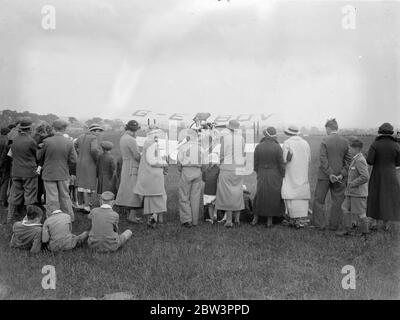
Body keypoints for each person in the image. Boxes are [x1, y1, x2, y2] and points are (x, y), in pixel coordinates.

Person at [311, 118, 351, 231]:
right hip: (339, 177)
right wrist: (341, 175)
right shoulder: (345, 141)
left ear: (328, 128)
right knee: (338, 201)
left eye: (326, 129)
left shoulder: (325, 140)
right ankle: (334, 226)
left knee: (319, 200)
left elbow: (323, 159)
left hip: (324, 176)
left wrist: (330, 173)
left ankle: (319, 225)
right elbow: (348, 161)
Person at [37, 119, 77, 221]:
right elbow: (74, 160)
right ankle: (69, 218)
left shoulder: (46, 141)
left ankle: (52, 219)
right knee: (65, 197)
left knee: (51, 198)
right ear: (64, 129)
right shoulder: (69, 142)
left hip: (49, 173)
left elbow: (38, 156)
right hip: (63, 173)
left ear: (54, 128)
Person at [366, 123, 400, 230]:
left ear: (380, 131)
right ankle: (386, 224)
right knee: (388, 199)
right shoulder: (396, 145)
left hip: (378, 174)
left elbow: (370, 161)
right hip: (391, 175)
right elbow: (398, 162)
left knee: (376, 197)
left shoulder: (375, 144)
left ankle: (375, 223)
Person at [7, 117, 39, 224]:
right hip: (29, 172)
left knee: (14, 195)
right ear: (29, 128)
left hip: (16, 171)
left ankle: (9, 218)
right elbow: (37, 156)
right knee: (30, 196)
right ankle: (30, 220)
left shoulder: (14, 139)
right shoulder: (31, 141)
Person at [134, 127, 168, 228]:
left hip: (148, 174)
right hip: (154, 175)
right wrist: (164, 164)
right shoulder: (152, 144)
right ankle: (156, 219)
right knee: (160, 196)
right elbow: (153, 161)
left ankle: (154, 218)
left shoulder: (147, 143)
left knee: (150, 197)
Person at [252, 127, 285, 228]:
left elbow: (255, 164)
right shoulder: (277, 147)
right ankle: (269, 221)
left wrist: (259, 171)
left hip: (261, 173)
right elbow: (281, 164)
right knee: (273, 196)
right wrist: (283, 174)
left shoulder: (258, 147)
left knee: (260, 194)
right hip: (274, 174)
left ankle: (255, 218)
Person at [336, 138, 370, 237]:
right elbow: (351, 172)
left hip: (358, 193)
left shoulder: (360, 160)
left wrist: (352, 183)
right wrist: (340, 177)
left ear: (356, 149)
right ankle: (348, 230)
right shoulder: (355, 158)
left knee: (361, 213)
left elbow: (365, 176)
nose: (349, 150)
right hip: (351, 192)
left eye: (350, 148)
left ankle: (365, 234)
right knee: (345, 208)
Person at [215, 120, 246, 228]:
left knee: (227, 193)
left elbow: (222, 155)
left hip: (227, 167)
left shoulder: (226, 138)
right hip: (239, 167)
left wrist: (220, 164)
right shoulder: (241, 138)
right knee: (238, 192)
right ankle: (237, 219)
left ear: (229, 128)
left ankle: (229, 220)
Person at [281, 125, 311, 228]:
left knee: (290, 192)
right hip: (302, 171)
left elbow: (284, 159)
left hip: (291, 172)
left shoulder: (287, 143)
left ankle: (292, 218)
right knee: (301, 193)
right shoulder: (305, 143)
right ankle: (302, 218)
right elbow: (309, 159)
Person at [115, 120, 144, 223]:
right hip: (133, 167)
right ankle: (132, 216)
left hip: (126, 165)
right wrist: (144, 156)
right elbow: (136, 156)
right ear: (134, 130)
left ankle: (127, 212)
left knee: (126, 189)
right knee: (134, 192)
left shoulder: (123, 138)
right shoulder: (131, 140)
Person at [177, 128, 204, 228]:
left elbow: (179, 162)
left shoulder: (183, 147)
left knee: (184, 196)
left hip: (186, 170)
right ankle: (195, 220)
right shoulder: (201, 148)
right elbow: (204, 161)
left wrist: (181, 170)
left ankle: (187, 219)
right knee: (195, 197)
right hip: (197, 171)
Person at [74, 123, 103, 213]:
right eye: (98, 131)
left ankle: (80, 205)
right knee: (88, 186)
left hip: (79, 163)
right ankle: (86, 207)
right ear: (93, 131)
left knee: (80, 185)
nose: (99, 133)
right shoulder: (93, 138)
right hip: (89, 163)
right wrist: (97, 159)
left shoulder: (80, 136)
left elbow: (74, 146)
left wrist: (78, 155)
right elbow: (94, 150)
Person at [202, 152, 220, 224]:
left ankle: (212, 219)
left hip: (207, 191)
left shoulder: (206, 170)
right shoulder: (218, 169)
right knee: (216, 204)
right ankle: (215, 215)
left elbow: (204, 179)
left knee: (210, 205)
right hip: (215, 190)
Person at [0, 127, 11, 217]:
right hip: (4, 166)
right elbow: (6, 156)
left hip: (1, 164)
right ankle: (3, 200)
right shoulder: (7, 141)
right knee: (5, 183)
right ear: (7, 133)